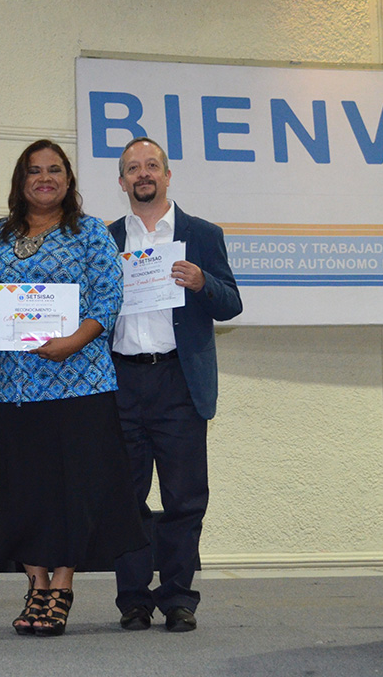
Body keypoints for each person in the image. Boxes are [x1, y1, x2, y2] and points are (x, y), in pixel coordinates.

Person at [0, 139, 145, 637]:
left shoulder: (90, 232)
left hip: (80, 383)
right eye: (34, 170)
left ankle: (63, 584)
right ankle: (35, 583)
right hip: (14, 386)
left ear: (68, 180)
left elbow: (108, 297)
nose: (45, 178)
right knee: (27, 489)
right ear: (21, 181)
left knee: (74, 491)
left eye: (55, 170)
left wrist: (72, 342)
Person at [108, 136, 242, 633]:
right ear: (121, 181)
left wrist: (202, 282)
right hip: (120, 378)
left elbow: (231, 304)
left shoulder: (202, 234)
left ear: (167, 175)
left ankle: (179, 597)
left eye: (151, 166)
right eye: (132, 168)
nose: (142, 174)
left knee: (185, 498)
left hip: (179, 380)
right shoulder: (104, 238)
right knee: (128, 498)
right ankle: (134, 601)